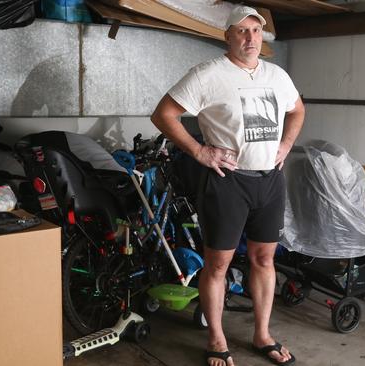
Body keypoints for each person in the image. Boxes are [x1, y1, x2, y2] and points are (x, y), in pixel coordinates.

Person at [151, 5, 305, 366]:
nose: (250, 38)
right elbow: (163, 115)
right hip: (227, 183)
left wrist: (285, 146)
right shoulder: (208, 74)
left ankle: (262, 335)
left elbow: (297, 110)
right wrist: (199, 151)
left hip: (269, 181)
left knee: (264, 258)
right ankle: (217, 339)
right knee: (217, 264)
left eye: (255, 31)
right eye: (241, 30)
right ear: (227, 35)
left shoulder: (277, 75)